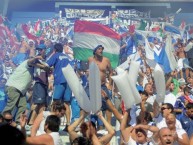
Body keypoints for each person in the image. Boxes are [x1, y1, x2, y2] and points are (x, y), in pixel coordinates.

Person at [3, 56, 50, 124]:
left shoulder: (32, 69)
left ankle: (18, 122)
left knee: (23, 106)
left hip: (21, 90)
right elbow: (30, 61)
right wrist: (36, 58)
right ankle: (2, 121)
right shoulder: (26, 63)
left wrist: (44, 67)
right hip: (14, 87)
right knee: (10, 105)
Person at [46, 43, 71, 127]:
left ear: (54, 50)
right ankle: (68, 124)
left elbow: (47, 65)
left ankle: (52, 123)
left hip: (60, 80)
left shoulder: (56, 55)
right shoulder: (67, 56)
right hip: (69, 81)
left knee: (55, 102)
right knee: (66, 103)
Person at [88, 45, 113, 125]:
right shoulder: (90, 60)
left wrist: (110, 83)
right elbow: (86, 71)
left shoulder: (106, 60)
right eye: (99, 49)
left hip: (102, 85)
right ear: (95, 51)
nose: (101, 50)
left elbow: (111, 72)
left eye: (102, 49)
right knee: (92, 106)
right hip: (92, 86)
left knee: (108, 105)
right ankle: (93, 123)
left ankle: (107, 124)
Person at [28, 44, 50, 125]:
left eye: (41, 49)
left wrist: (45, 67)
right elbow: (29, 62)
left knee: (43, 104)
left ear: (44, 50)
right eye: (38, 50)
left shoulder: (48, 59)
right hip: (38, 82)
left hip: (45, 83)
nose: (39, 51)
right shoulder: (36, 58)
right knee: (37, 102)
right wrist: (36, 58)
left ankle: (38, 122)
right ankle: (30, 121)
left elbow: (49, 69)